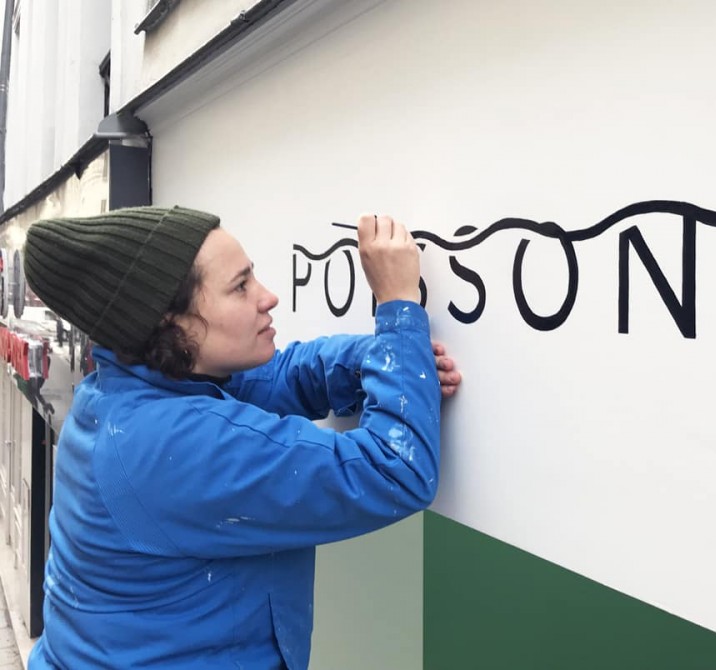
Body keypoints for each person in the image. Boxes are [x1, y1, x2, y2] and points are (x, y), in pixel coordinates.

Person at [21, 206, 461, 669]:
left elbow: (283, 376)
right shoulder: (173, 444)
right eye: (240, 286)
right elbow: (394, 468)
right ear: (171, 323)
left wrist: (388, 358)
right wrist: (398, 305)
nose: (267, 297)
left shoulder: (133, 387)